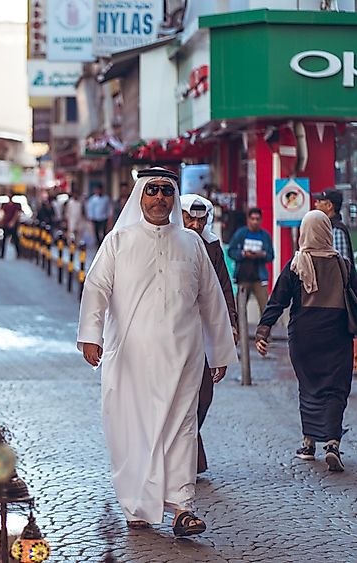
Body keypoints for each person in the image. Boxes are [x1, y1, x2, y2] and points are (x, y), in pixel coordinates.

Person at [77, 167, 237, 536]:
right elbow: (97, 288)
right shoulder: (119, 240)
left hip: (184, 355)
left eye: (167, 190)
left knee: (182, 428)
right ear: (140, 197)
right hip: (130, 357)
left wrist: (221, 352)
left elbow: (211, 299)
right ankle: (137, 504)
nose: (160, 197)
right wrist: (91, 334)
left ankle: (183, 507)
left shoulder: (192, 243)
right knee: (134, 430)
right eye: (153, 191)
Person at [256, 210, 357, 471]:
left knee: (309, 387)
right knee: (336, 388)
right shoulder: (343, 264)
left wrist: (264, 329)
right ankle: (332, 442)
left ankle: (309, 442)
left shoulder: (296, 264)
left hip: (304, 336)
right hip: (337, 334)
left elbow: (278, 299)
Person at [181, 194, 239, 474]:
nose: (194, 224)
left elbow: (223, 285)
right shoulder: (170, 243)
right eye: (189, 218)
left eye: (200, 219)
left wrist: (231, 323)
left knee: (203, 396)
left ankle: (187, 450)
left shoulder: (212, 245)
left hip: (204, 329)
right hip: (175, 330)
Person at [228, 208, 274, 315]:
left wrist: (262, 254)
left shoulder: (265, 236)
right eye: (252, 219)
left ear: (261, 220)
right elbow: (231, 251)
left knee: (265, 308)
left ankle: (264, 330)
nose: (255, 222)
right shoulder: (241, 234)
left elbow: (271, 255)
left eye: (257, 219)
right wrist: (243, 254)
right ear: (248, 220)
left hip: (259, 277)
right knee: (240, 309)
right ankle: (239, 331)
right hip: (243, 277)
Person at [314, 188, 354, 267]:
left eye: (319, 202)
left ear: (329, 206)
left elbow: (342, 265)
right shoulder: (328, 227)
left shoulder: (336, 230)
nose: (316, 204)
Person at [0, 193, 22, 259]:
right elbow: (3, 214)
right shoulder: (5, 205)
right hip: (6, 224)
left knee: (15, 239)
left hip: (13, 225)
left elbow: (17, 214)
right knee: (4, 240)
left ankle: (18, 254)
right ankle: (2, 254)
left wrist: (12, 222)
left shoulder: (16, 205)